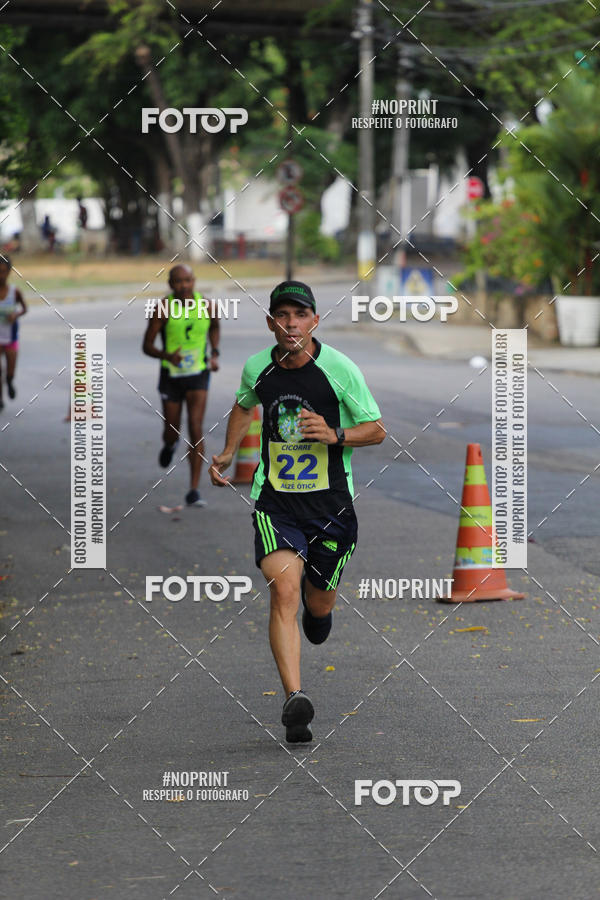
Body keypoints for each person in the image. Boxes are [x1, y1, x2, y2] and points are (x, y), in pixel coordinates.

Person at [210, 280, 385, 742]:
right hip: (276, 504)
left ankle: (319, 612)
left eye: (300, 315)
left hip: (331, 507)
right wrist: (228, 451)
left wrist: (335, 435)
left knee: (317, 604)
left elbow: (376, 429)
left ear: (315, 321)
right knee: (283, 592)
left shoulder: (339, 369)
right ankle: (295, 700)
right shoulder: (258, 367)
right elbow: (243, 405)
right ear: (271, 322)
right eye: (282, 315)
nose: (291, 324)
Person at [143, 264, 220, 506]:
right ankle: (170, 443)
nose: (184, 285)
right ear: (170, 284)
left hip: (198, 374)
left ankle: (194, 490)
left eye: (188, 280)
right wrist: (167, 356)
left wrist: (214, 353)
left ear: (194, 281)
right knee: (172, 429)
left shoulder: (207, 305)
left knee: (196, 427)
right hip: (171, 376)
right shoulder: (162, 309)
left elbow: (215, 327)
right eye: (179, 281)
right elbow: (147, 346)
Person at [0, 256, 27, 411]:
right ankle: (0, 399)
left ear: (9, 272)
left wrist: (15, 315)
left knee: (9, 372)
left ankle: (9, 382)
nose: (1, 275)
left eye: (4, 271)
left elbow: (24, 309)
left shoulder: (14, 292)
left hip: (11, 337)